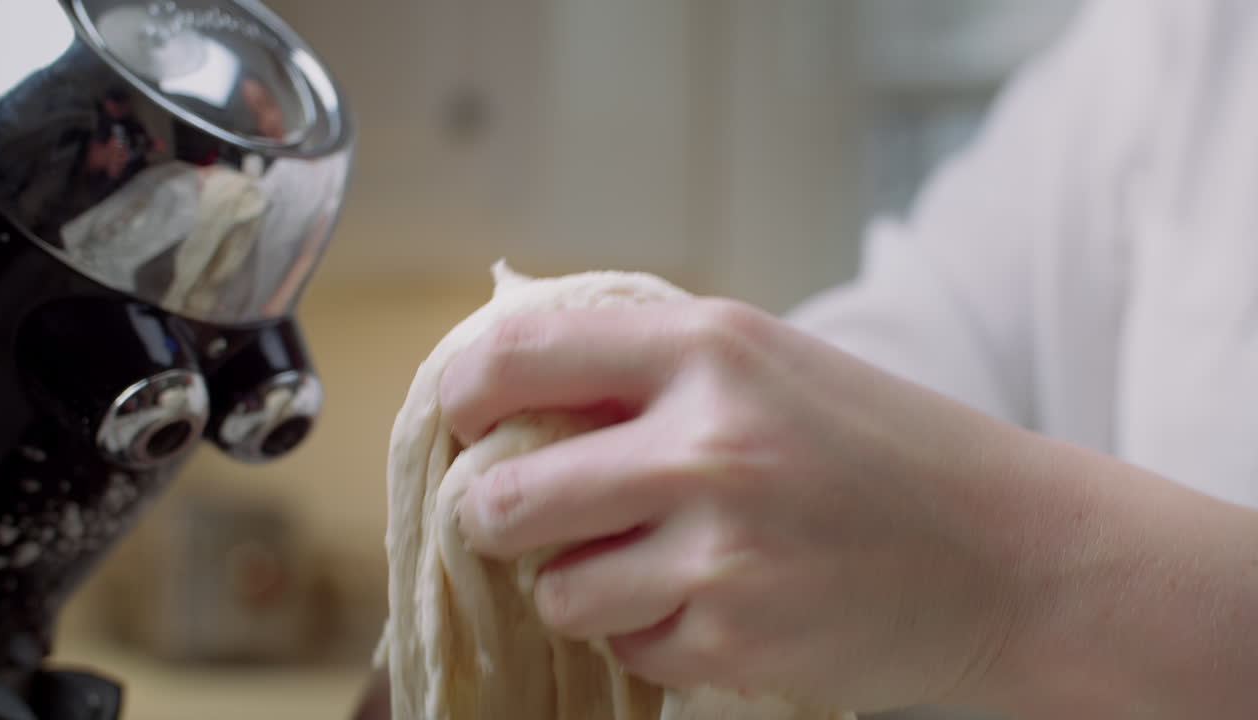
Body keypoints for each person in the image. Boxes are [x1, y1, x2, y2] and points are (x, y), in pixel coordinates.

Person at [357, 0, 1258, 717]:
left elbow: (959, 513)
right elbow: (933, 326)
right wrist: (645, 465)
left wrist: (1004, 574)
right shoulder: (1184, 35)